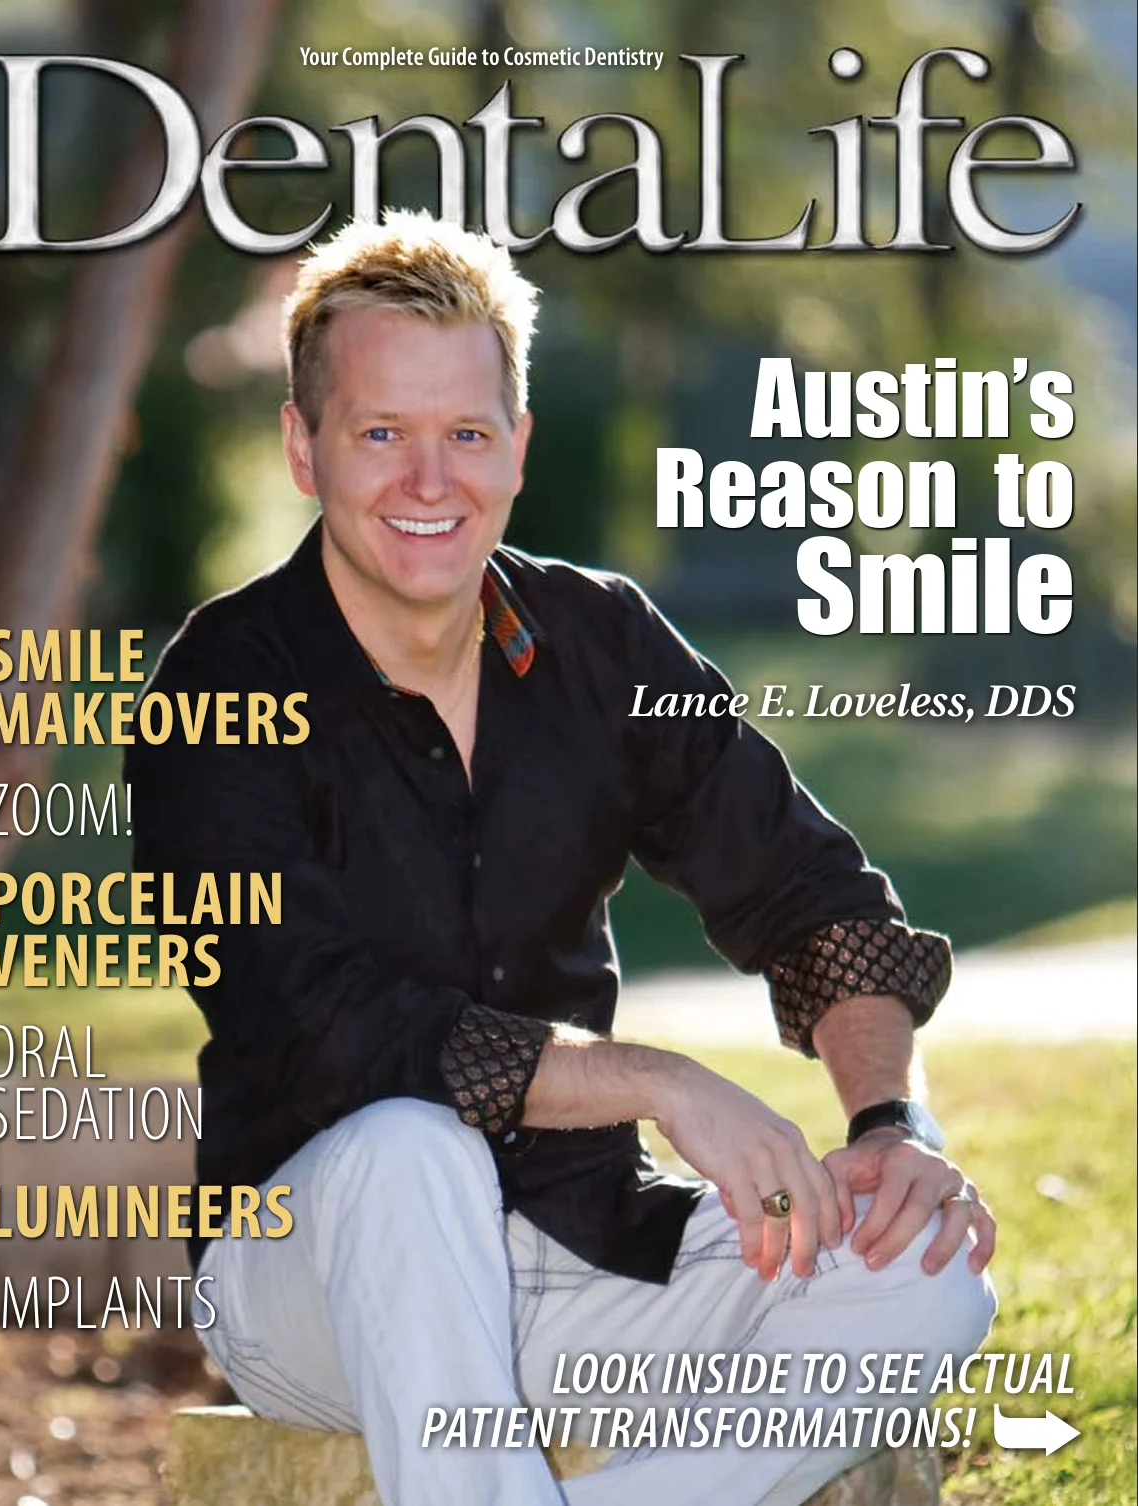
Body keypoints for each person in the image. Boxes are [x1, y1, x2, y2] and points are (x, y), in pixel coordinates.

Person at [127, 210, 996, 1506]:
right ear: (303, 449)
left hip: (587, 1253)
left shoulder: (603, 646)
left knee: (925, 1273)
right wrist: (652, 1078)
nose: (431, 480)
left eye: (465, 433)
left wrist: (889, 1122)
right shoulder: (219, 684)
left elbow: (812, 899)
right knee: (408, 1144)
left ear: (516, 446)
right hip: (317, 1271)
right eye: (382, 433)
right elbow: (322, 1026)